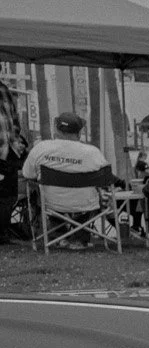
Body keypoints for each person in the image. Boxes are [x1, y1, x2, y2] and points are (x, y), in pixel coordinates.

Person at [21, 112, 111, 226]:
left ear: (56, 130)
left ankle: (57, 235)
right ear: (79, 133)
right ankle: (80, 237)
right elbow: (105, 179)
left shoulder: (41, 148)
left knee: (41, 192)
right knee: (88, 199)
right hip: (86, 204)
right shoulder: (93, 152)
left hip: (51, 204)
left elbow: (27, 174)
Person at [0, 86, 28, 243]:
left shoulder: (4, 90)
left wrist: (17, 141)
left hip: (9, 150)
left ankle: (2, 232)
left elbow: (15, 119)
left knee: (9, 196)